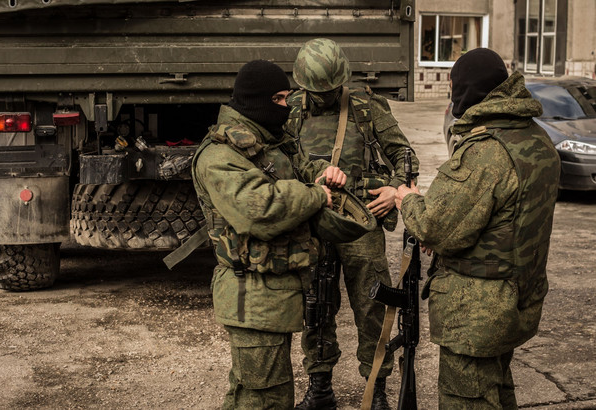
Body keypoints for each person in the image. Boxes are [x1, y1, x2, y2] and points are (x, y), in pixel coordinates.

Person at [395, 48, 561, 408]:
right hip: (515, 299)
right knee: (497, 392)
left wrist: (405, 198)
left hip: (478, 313)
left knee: (468, 397)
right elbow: (505, 222)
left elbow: (434, 225)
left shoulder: (486, 150)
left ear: (466, 88)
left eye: (452, 83)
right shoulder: (536, 138)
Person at [191, 59, 350, 409]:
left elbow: (299, 168)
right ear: (254, 100)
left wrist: (324, 174)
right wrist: (316, 195)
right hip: (251, 294)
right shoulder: (220, 155)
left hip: (272, 294)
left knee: (253, 391)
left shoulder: (268, 142)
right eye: (278, 99)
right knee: (266, 398)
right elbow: (258, 211)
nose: (286, 107)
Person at [286, 38, 419, 410]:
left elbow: (403, 153)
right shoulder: (291, 109)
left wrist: (396, 189)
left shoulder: (365, 105)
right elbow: (278, 159)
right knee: (316, 304)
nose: (324, 96)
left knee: (372, 305)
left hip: (361, 221)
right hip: (313, 220)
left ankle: (375, 388)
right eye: (317, 90)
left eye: (329, 89)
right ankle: (320, 386)